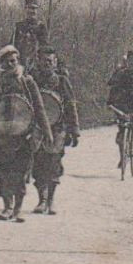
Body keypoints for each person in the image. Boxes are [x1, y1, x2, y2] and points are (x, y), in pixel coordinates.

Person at [0, 45, 52, 222]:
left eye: (13, 60)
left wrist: (46, 131)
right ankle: (7, 207)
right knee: (4, 173)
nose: (11, 64)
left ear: (18, 61)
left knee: (20, 173)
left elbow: (39, 108)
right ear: (1, 64)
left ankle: (18, 209)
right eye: (7, 62)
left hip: (24, 136)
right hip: (2, 136)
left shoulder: (27, 82)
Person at [30, 45, 79, 215]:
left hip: (58, 128)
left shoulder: (61, 81)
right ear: (38, 62)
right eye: (43, 61)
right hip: (36, 127)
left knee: (54, 163)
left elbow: (71, 105)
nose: (47, 64)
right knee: (38, 163)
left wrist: (74, 130)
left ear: (55, 62)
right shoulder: (32, 80)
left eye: (50, 61)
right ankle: (41, 200)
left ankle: (50, 200)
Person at [12, 0, 48, 64]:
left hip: (35, 63)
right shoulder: (19, 26)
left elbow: (45, 47)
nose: (32, 11)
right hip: (19, 62)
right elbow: (12, 45)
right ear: (25, 9)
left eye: (34, 8)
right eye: (29, 8)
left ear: (37, 11)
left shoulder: (41, 27)